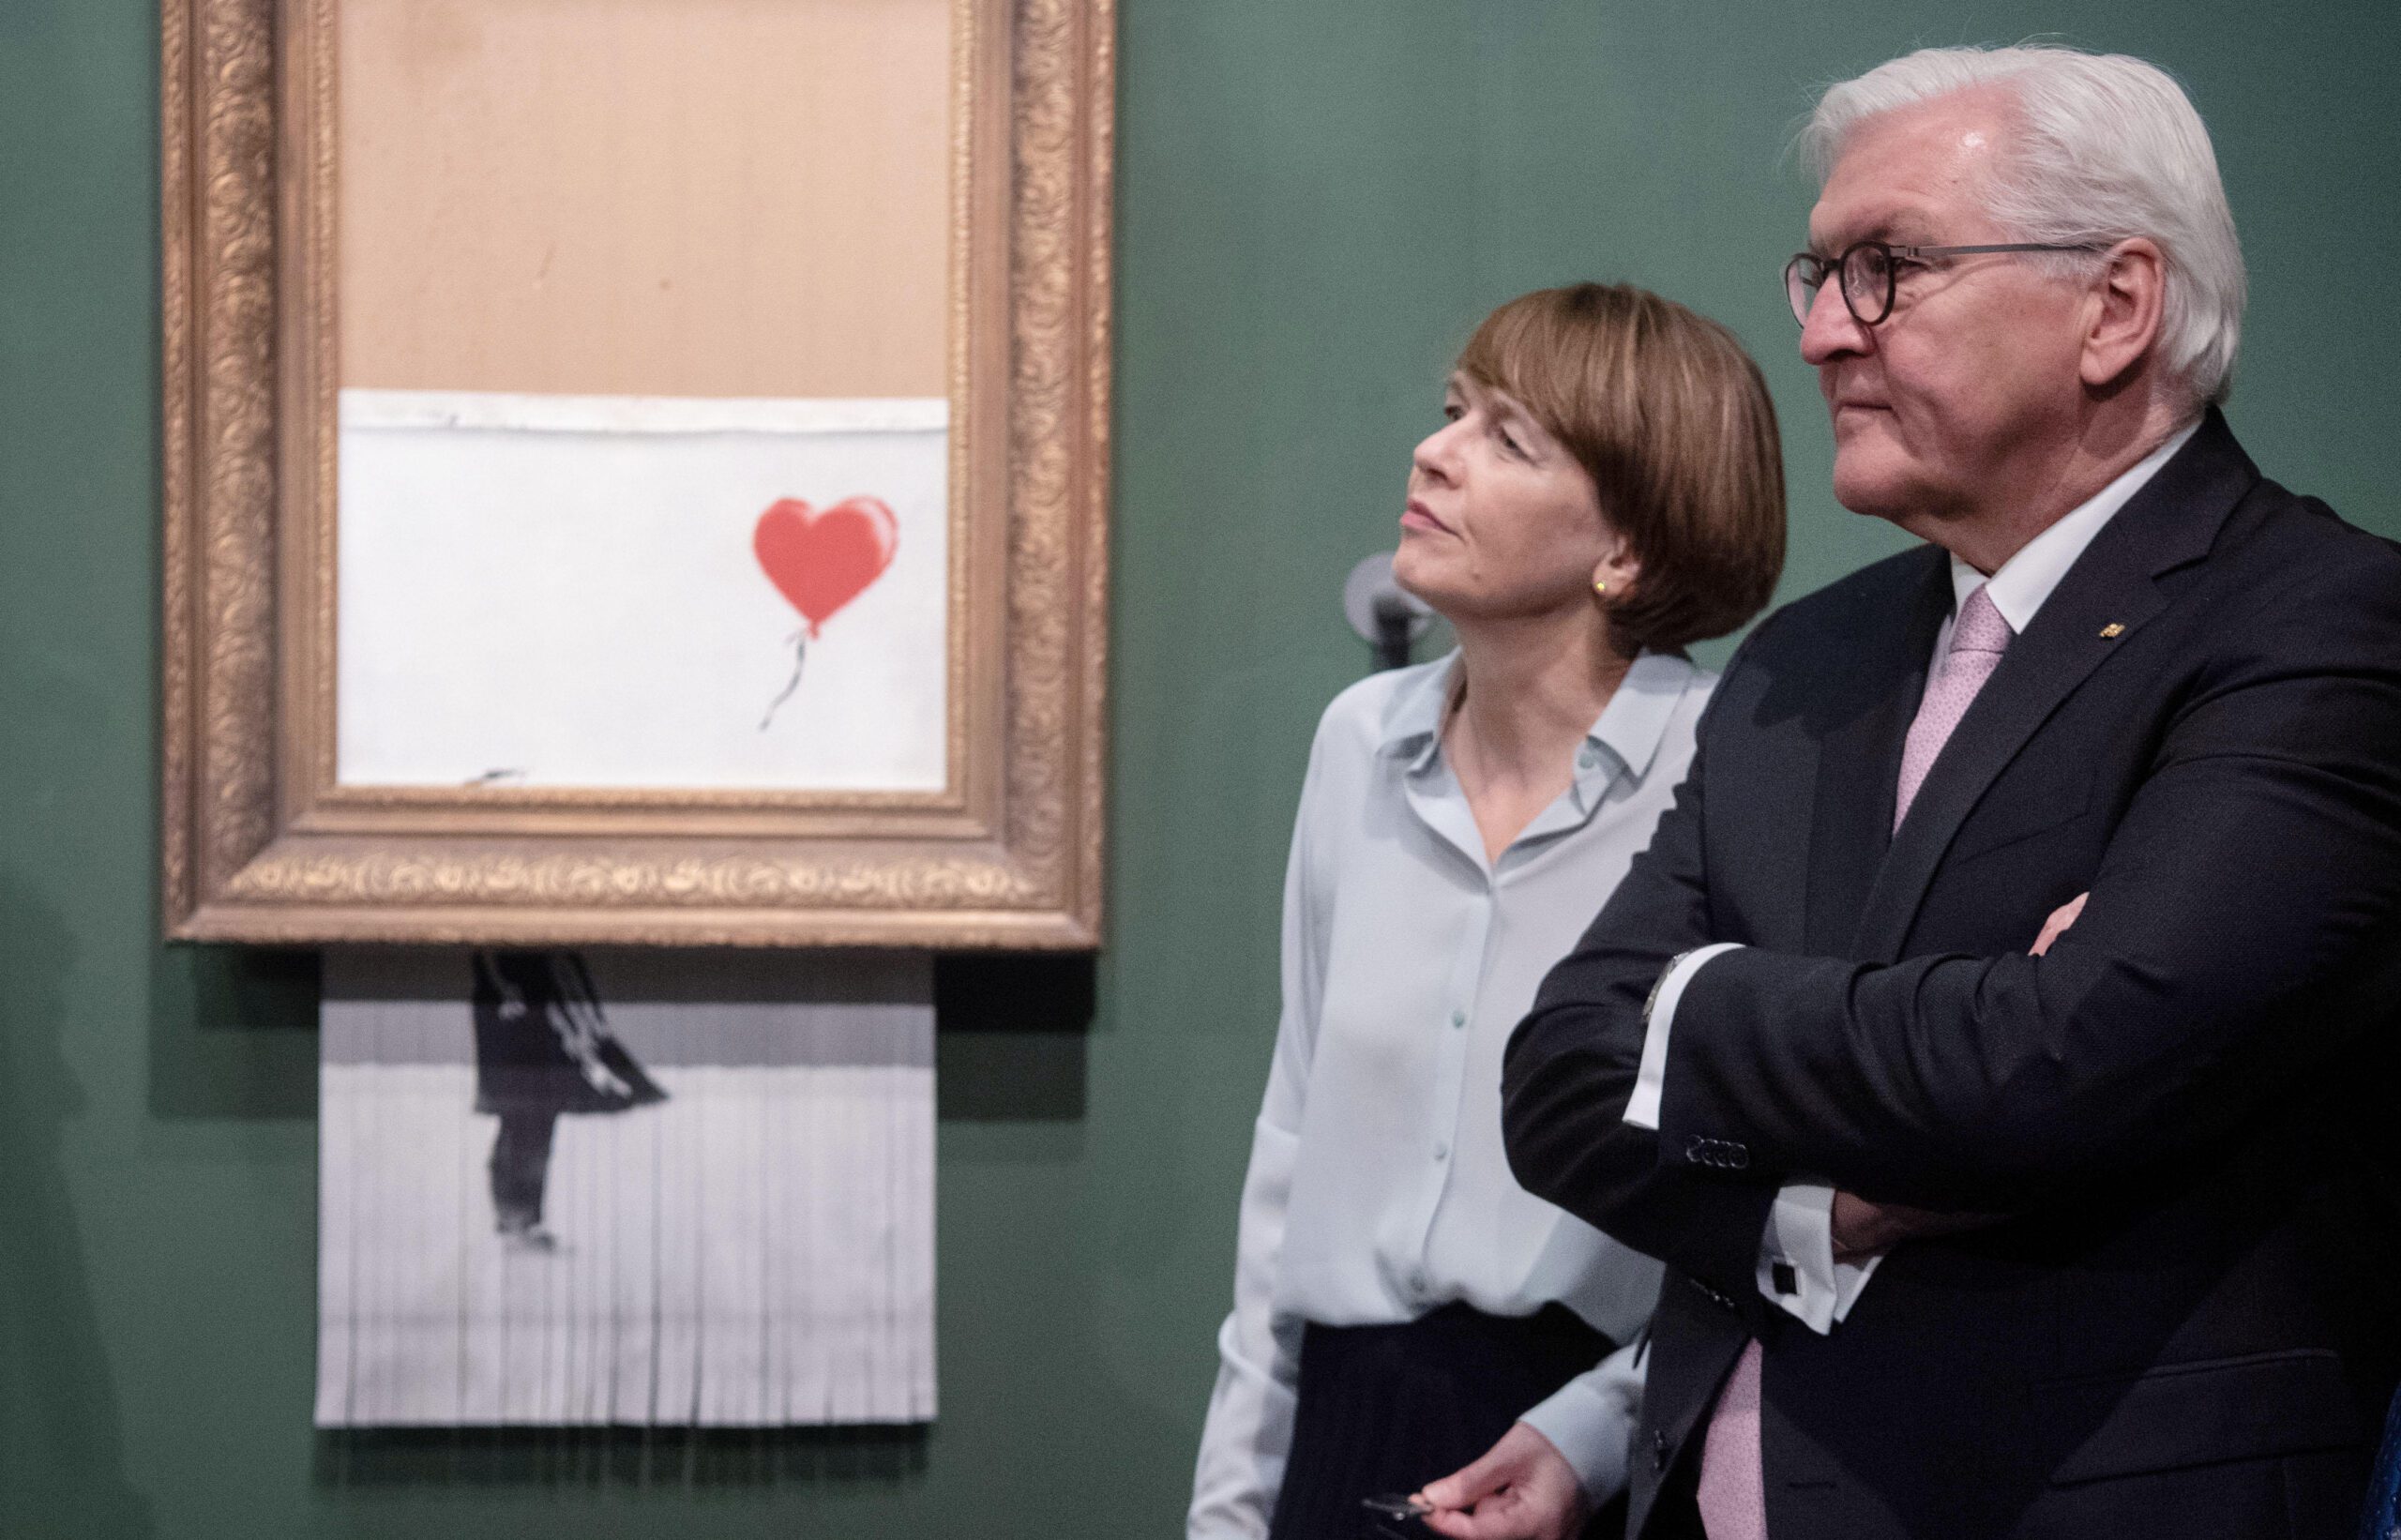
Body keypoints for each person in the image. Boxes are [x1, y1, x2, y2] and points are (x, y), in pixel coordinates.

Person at [1500, 44, 2401, 1540]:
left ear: (2117, 305)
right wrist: (1815, 1211)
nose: (1822, 337)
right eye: (1822, 273)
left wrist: (1695, 1003)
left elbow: (2063, 1068)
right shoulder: (1809, 657)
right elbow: (1559, 1078)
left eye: (1887, 269)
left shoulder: (2321, 623)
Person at [1188, 282, 1786, 1540]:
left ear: (1625, 547)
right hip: (1343, 1435)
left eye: (1507, 439)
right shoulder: (1358, 739)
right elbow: (1293, 1143)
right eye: (1455, 411)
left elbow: (1776, 1203)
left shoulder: (1737, 767)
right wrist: (1232, 1507)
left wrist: (1597, 1435)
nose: (1433, 451)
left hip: (1608, 1459)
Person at [471, 950, 666, 1250]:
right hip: (522, 1041)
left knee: (524, 1130)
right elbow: (581, 1018)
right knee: (527, 1130)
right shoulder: (527, 961)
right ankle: (517, 1222)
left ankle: (516, 1221)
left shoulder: (517, 961)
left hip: (520, 1040)